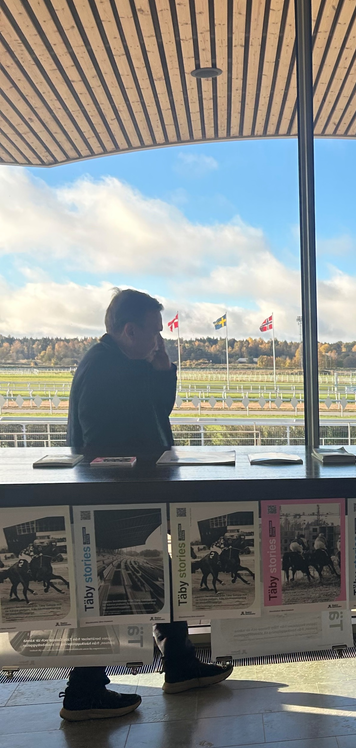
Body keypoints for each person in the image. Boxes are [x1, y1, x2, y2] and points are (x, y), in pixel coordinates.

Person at [61, 288, 233, 722]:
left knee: (159, 572)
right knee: (110, 590)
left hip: (129, 494)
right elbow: (101, 442)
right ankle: (84, 689)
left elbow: (157, 414)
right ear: (129, 331)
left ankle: (179, 663)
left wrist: (162, 372)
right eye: (155, 332)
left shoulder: (123, 361)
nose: (160, 340)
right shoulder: (104, 368)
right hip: (114, 499)